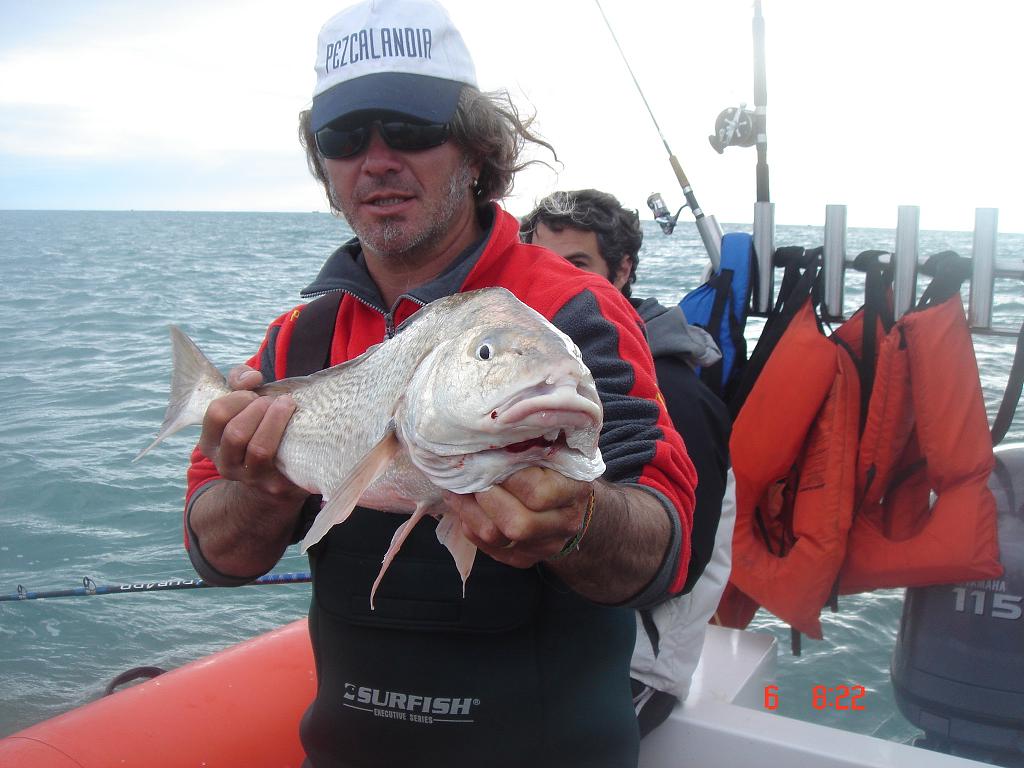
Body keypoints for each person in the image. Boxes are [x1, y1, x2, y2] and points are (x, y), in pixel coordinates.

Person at [183, 3, 696, 767]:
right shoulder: (302, 337)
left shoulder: (570, 313)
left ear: (476, 149)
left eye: (412, 129)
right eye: (344, 138)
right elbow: (215, 553)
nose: (377, 159)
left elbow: (667, 544)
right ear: (325, 163)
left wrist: (580, 522)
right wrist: (259, 488)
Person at [521, 189, 733, 735]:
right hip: (566, 634)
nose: (556, 282)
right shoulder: (549, 371)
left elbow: (684, 559)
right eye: (540, 264)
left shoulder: (673, 390)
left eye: (578, 265)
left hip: (639, 663)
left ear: (623, 270)